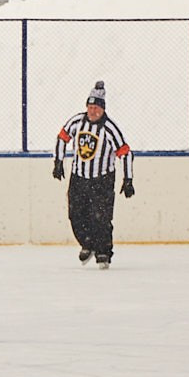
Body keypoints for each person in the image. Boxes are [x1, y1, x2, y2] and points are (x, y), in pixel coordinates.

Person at [54, 80, 135, 268]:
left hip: (102, 179)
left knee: (102, 217)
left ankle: (103, 251)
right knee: (76, 215)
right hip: (78, 178)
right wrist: (58, 162)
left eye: (96, 108)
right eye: (90, 107)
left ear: (103, 109)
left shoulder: (110, 129)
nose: (93, 111)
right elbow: (62, 137)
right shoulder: (76, 121)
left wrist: (128, 179)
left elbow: (125, 152)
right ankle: (87, 243)